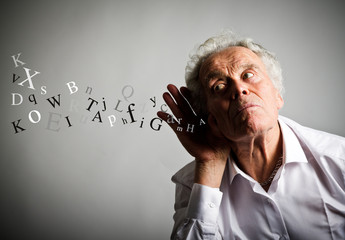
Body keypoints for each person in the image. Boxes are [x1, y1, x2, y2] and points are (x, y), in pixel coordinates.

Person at [157, 31, 345, 240]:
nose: (239, 89)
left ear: (277, 96)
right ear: (209, 116)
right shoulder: (193, 184)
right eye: (219, 86)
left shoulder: (339, 160)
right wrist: (209, 164)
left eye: (248, 75)